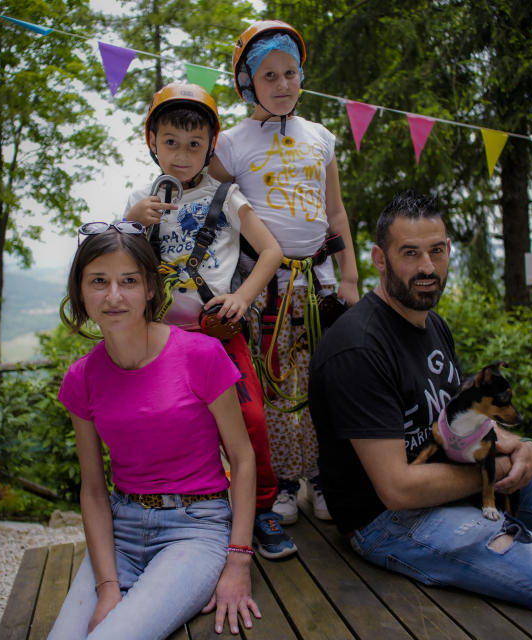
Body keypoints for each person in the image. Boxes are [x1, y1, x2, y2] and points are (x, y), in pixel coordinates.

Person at [308, 191, 532, 640]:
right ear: (379, 258)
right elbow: (397, 489)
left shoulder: (432, 323)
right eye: (410, 253)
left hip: (451, 483)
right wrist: (494, 471)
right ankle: (493, 555)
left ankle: (493, 557)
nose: (427, 268)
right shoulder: (359, 348)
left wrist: (524, 448)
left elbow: (457, 416)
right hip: (388, 522)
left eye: (437, 251)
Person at [47, 225, 260, 639]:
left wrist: (238, 561)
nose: (113, 296)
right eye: (98, 282)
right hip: (120, 531)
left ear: (149, 288)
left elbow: (243, 457)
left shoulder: (201, 355)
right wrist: (107, 588)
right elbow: (93, 489)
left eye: (128, 281)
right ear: (80, 292)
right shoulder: (82, 378)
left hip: (196, 528)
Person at [123, 82, 296, 560]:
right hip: (163, 340)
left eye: (194, 144)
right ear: (152, 141)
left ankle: (261, 507)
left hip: (219, 335)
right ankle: (183, 511)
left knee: (251, 419)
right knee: (170, 426)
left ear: (210, 146)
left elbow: (271, 250)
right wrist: (134, 220)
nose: (182, 155)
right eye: (171, 143)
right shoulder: (142, 199)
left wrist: (243, 296)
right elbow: (116, 262)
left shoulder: (228, 194)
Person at [209, 20, 360, 525]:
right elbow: (203, 199)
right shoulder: (231, 144)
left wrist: (351, 278)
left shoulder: (321, 138)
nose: (282, 84)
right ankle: (276, 484)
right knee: (270, 386)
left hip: (316, 289)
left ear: (301, 76)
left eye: (290, 73)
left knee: (322, 381)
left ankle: (320, 476)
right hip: (262, 290)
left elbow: (335, 215)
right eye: (268, 75)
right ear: (247, 82)